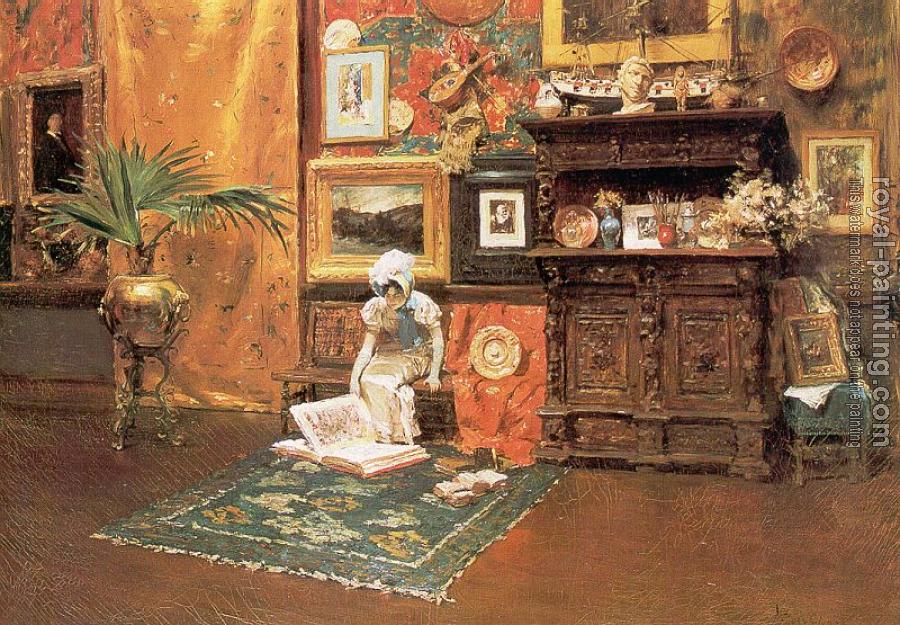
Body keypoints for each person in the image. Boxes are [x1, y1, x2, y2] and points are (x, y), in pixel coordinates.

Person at [350, 249, 444, 444]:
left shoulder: (422, 305)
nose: (391, 300)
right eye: (388, 294)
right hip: (390, 353)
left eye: (397, 295)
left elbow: (437, 341)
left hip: (419, 354)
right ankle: (377, 435)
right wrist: (354, 378)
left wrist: (434, 374)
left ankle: (390, 436)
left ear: (406, 291)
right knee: (367, 379)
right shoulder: (378, 307)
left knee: (384, 382)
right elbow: (367, 348)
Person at [34, 112, 79, 193]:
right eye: (53, 119)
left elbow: (69, 156)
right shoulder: (45, 140)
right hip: (52, 181)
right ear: (48, 122)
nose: (55, 121)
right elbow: (45, 164)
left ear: (61, 122)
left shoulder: (60, 138)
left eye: (58, 119)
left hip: (63, 178)